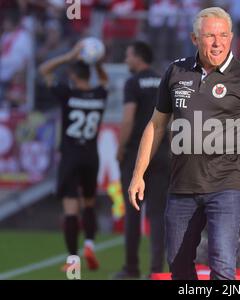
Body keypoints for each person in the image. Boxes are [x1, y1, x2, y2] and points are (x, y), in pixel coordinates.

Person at [128, 7, 240, 280]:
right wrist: (138, 174)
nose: (217, 42)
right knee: (178, 266)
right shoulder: (175, 72)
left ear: (231, 38)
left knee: (222, 265)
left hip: (225, 188)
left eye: (223, 35)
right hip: (182, 187)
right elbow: (156, 125)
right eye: (210, 36)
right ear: (195, 39)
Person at [39, 42, 109, 271]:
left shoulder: (67, 93)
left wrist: (68, 55)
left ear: (72, 75)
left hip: (70, 157)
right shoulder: (100, 94)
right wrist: (96, 62)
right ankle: (89, 244)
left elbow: (44, 71)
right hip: (91, 157)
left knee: (71, 209)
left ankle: (73, 261)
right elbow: (105, 80)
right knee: (88, 203)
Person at [113, 41, 170, 279]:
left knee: (133, 213)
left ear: (138, 58)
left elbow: (128, 119)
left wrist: (121, 147)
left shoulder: (133, 82)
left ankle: (131, 268)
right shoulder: (165, 80)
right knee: (157, 215)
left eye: (128, 56)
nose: (126, 60)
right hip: (162, 153)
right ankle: (156, 271)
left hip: (137, 153)